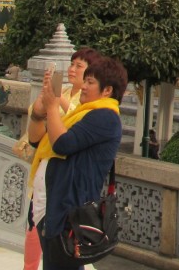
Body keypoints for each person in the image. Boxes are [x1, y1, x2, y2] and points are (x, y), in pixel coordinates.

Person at [28, 55, 126, 270]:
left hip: (68, 211)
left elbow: (62, 144)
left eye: (90, 82)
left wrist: (53, 106)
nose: (83, 86)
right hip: (53, 205)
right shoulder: (80, 115)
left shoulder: (105, 117)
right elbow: (37, 141)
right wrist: (39, 113)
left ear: (107, 90)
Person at [18, 47, 102, 270]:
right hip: (44, 174)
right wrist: (42, 106)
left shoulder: (94, 108)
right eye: (72, 64)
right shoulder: (63, 93)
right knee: (42, 237)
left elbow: (73, 130)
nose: (72, 69)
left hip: (67, 187)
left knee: (66, 246)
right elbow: (36, 137)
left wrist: (55, 103)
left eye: (79, 66)